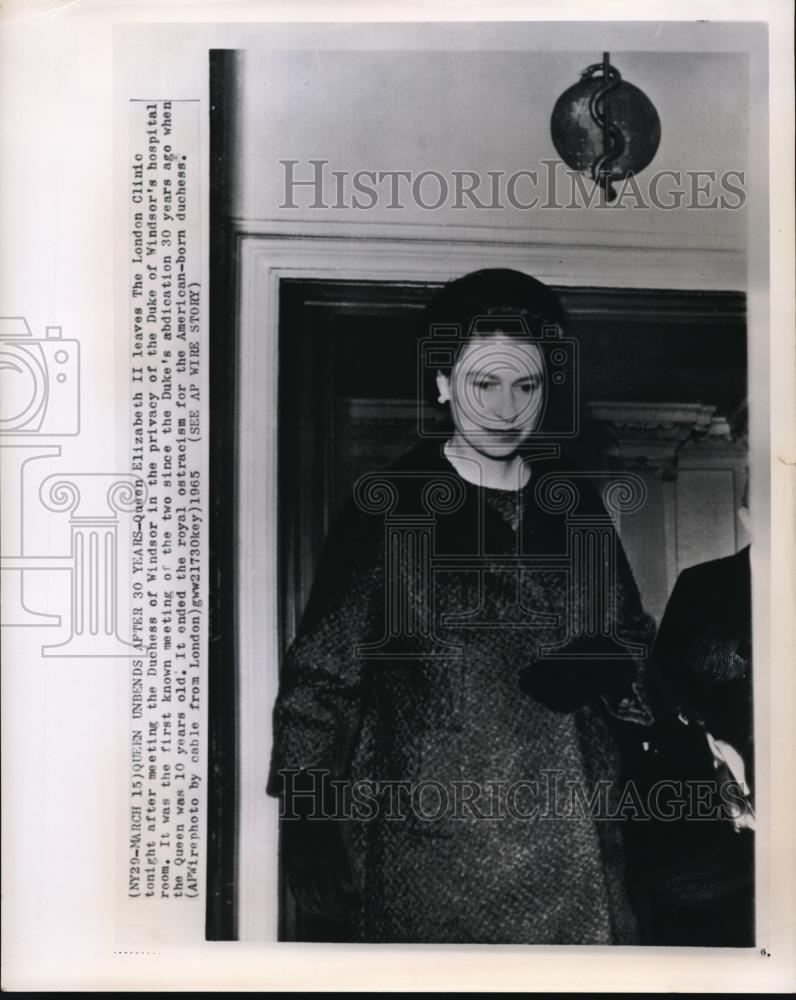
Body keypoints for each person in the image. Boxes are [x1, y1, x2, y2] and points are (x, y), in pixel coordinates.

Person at [267, 268, 659, 944]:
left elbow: (631, 637)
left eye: (526, 385)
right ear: (444, 384)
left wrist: (603, 663)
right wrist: (306, 817)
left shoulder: (578, 508)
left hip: (577, 837)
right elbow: (322, 678)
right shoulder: (385, 506)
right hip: (432, 844)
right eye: (485, 383)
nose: (506, 408)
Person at [639, 491, 755, 947]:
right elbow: (665, 694)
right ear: (747, 517)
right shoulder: (703, 585)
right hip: (726, 810)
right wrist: (711, 757)